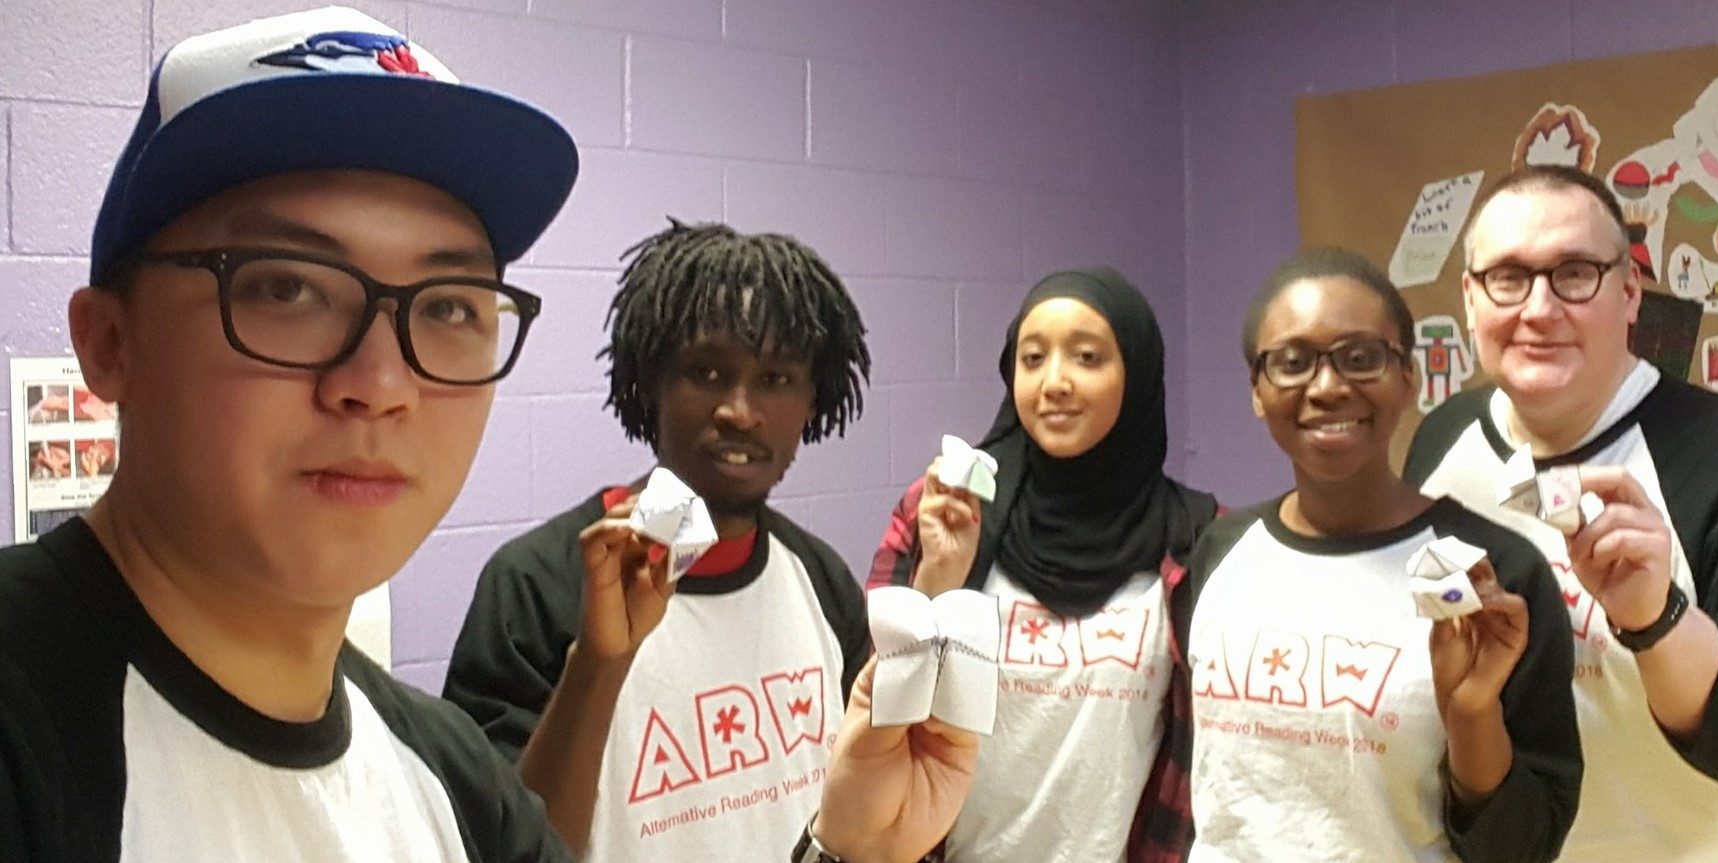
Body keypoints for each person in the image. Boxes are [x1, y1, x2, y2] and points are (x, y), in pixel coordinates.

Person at [0, 9, 977, 862]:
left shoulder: (446, 777)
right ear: (109, 341)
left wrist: (849, 849)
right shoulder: (32, 738)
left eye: (450, 304)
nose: (379, 382)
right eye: (286, 286)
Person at [1404, 165, 1718, 862]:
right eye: (1508, 276)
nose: (1538, 308)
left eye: (1574, 273)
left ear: (1629, 295)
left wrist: (1657, 619)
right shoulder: (1443, 440)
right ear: (1470, 299)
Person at [444, 221, 874, 860]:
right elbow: (499, 847)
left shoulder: (819, 577)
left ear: (814, 400)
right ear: (650, 384)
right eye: (705, 371)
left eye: (777, 379)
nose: (740, 410)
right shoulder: (536, 583)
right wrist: (598, 662)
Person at [1161, 248, 1578, 861]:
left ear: (1407, 378)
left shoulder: (1493, 575)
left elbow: (1523, 847)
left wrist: (1470, 713)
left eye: (1360, 359)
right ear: (1257, 390)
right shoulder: (1220, 553)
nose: (1327, 387)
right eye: (1293, 362)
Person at [868, 267, 1218, 861]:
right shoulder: (949, 509)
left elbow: (1205, 755)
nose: (1053, 382)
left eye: (1086, 358)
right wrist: (939, 583)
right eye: (1032, 360)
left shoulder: (1193, 538)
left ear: (1136, 375)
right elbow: (876, 712)